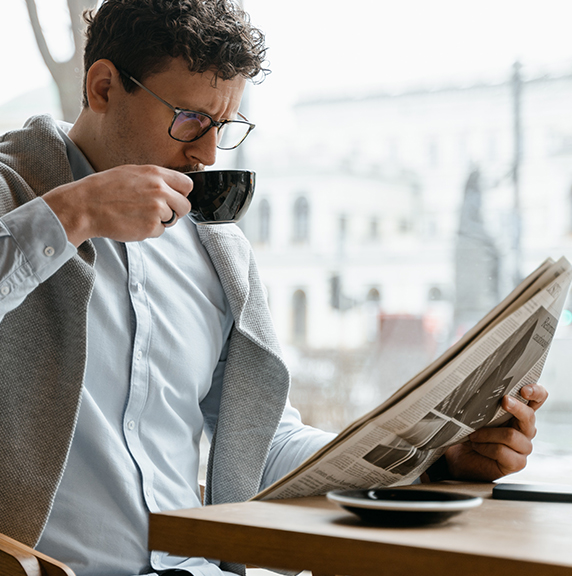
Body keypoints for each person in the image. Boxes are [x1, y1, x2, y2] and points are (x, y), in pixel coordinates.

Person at [0, 1, 548, 575]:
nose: (207, 154)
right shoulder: (17, 194)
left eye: (223, 126)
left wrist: (433, 457)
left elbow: (264, 447)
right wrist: (73, 214)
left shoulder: (216, 252)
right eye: (189, 118)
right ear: (104, 87)